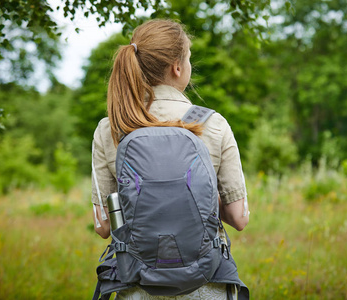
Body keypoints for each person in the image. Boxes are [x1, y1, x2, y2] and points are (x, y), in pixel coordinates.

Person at [91, 19, 249, 299]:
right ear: (178, 67)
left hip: (136, 283)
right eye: (188, 58)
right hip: (206, 283)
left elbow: (104, 226)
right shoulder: (213, 123)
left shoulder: (111, 127)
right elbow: (238, 218)